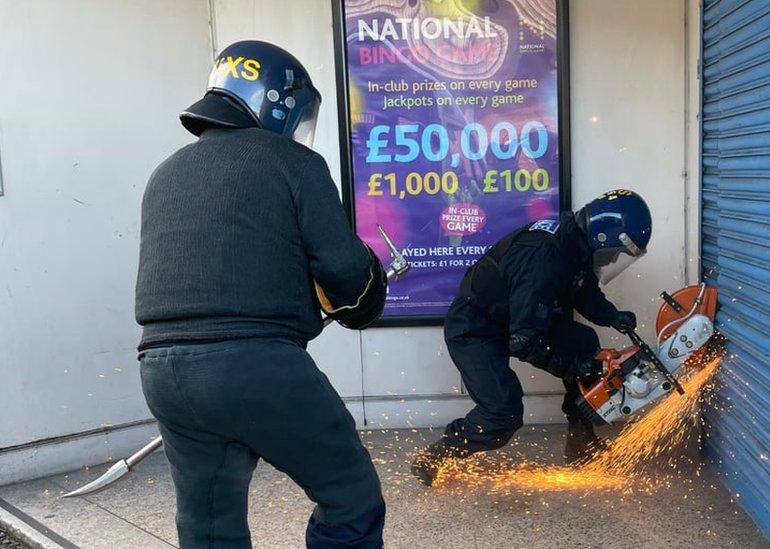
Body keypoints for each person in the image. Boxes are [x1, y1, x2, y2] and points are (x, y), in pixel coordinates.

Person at [135, 41, 387, 548]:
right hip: (255, 366)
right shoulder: (293, 161)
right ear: (277, 103)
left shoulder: (165, 173)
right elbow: (343, 269)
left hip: (164, 372)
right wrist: (364, 294)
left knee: (209, 524)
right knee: (350, 496)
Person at [411, 189, 653, 486]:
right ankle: (437, 455)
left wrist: (610, 315)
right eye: (616, 251)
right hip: (474, 328)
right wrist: (575, 367)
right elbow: (524, 341)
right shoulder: (544, 259)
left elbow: (582, 289)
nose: (614, 258)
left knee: (583, 341)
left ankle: (581, 443)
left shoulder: (573, 245)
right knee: (503, 414)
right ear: (603, 237)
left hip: (512, 317)